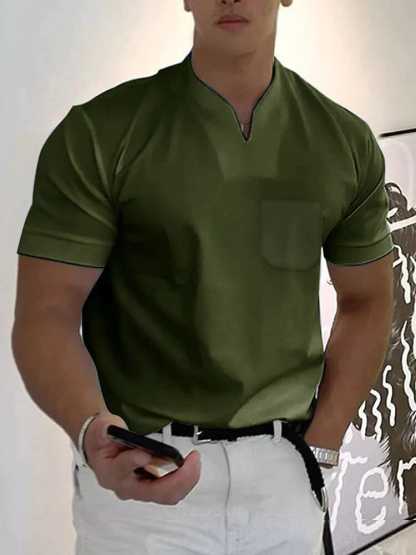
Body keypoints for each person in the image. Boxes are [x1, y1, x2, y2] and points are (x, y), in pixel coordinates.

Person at [12, 1, 394, 554]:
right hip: (144, 480)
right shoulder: (101, 134)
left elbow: (367, 301)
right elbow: (47, 313)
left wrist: (323, 444)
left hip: (285, 478)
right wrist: (91, 429)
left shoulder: (343, 142)